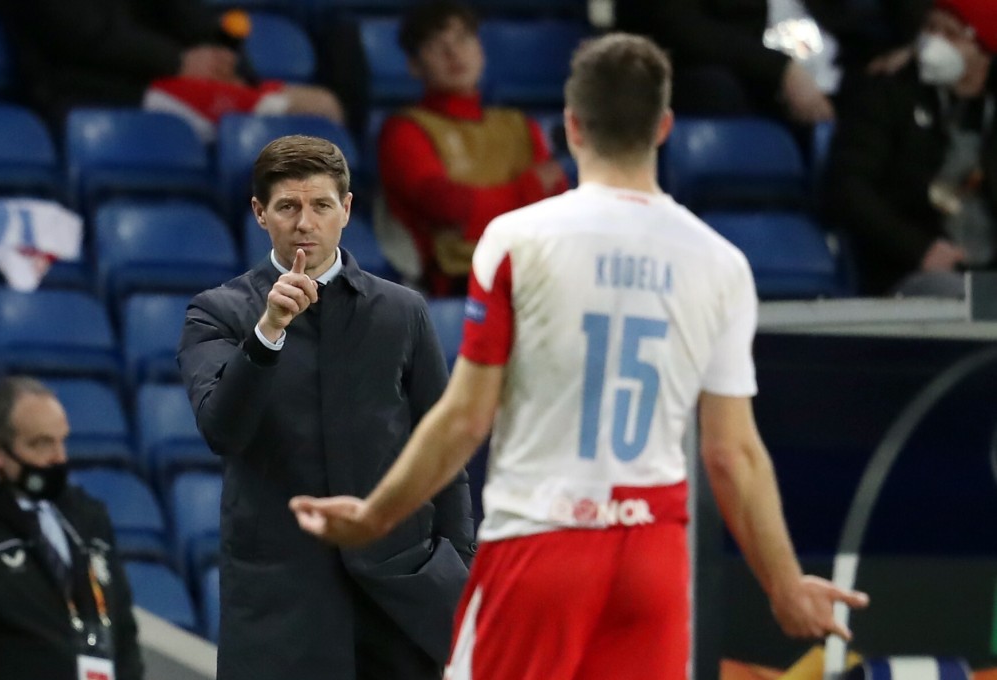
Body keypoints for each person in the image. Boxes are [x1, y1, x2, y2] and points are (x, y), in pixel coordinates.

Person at [290, 33, 870, 679]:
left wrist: (377, 515)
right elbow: (732, 453)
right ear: (665, 127)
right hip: (652, 556)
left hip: (545, 539)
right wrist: (785, 584)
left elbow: (466, 418)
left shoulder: (519, 239)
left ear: (571, 127)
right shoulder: (720, 262)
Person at [177, 134, 476, 680]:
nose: (305, 223)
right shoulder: (218, 313)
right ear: (260, 214)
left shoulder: (401, 311)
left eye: (320, 205)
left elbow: (443, 452)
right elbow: (223, 429)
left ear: (347, 210)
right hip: (282, 616)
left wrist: (460, 572)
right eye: (287, 207)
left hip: (403, 600)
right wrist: (267, 333)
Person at [376, 0, 568, 297]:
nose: (453, 53)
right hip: (460, 285)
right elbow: (447, 207)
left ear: (481, 49)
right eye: (435, 45)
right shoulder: (404, 131)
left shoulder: (519, 125)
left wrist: (482, 205)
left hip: (533, 272)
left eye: (463, 39)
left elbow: (556, 202)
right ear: (415, 65)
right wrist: (527, 189)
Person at [826, 0, 997, 297]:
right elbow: (847, 188)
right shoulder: (888, 95)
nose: (935, 43)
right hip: (914, 272)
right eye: (930, 28)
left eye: (952, 34)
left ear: (983, 52)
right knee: (974, 304)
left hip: (987, 274)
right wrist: (919, 249)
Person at [0, 376, 143, 680]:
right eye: (41, 444)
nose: (59, 458)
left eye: (61, 440)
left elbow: (124, 632)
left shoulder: (87, 517)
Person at [0, 0, 345, 139]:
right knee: (312, 110)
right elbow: (84, 36)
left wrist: (227, 61)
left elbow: (187, 15)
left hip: (170, 80)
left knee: (322, 104)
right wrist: (178, 62)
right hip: (97, 94)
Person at [614, 0, 930, 124]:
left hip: (823, 62)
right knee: (717, 88)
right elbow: (683, 30)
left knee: (897, 86)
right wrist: (782, 72)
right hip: (734, 72)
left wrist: (910, 43)